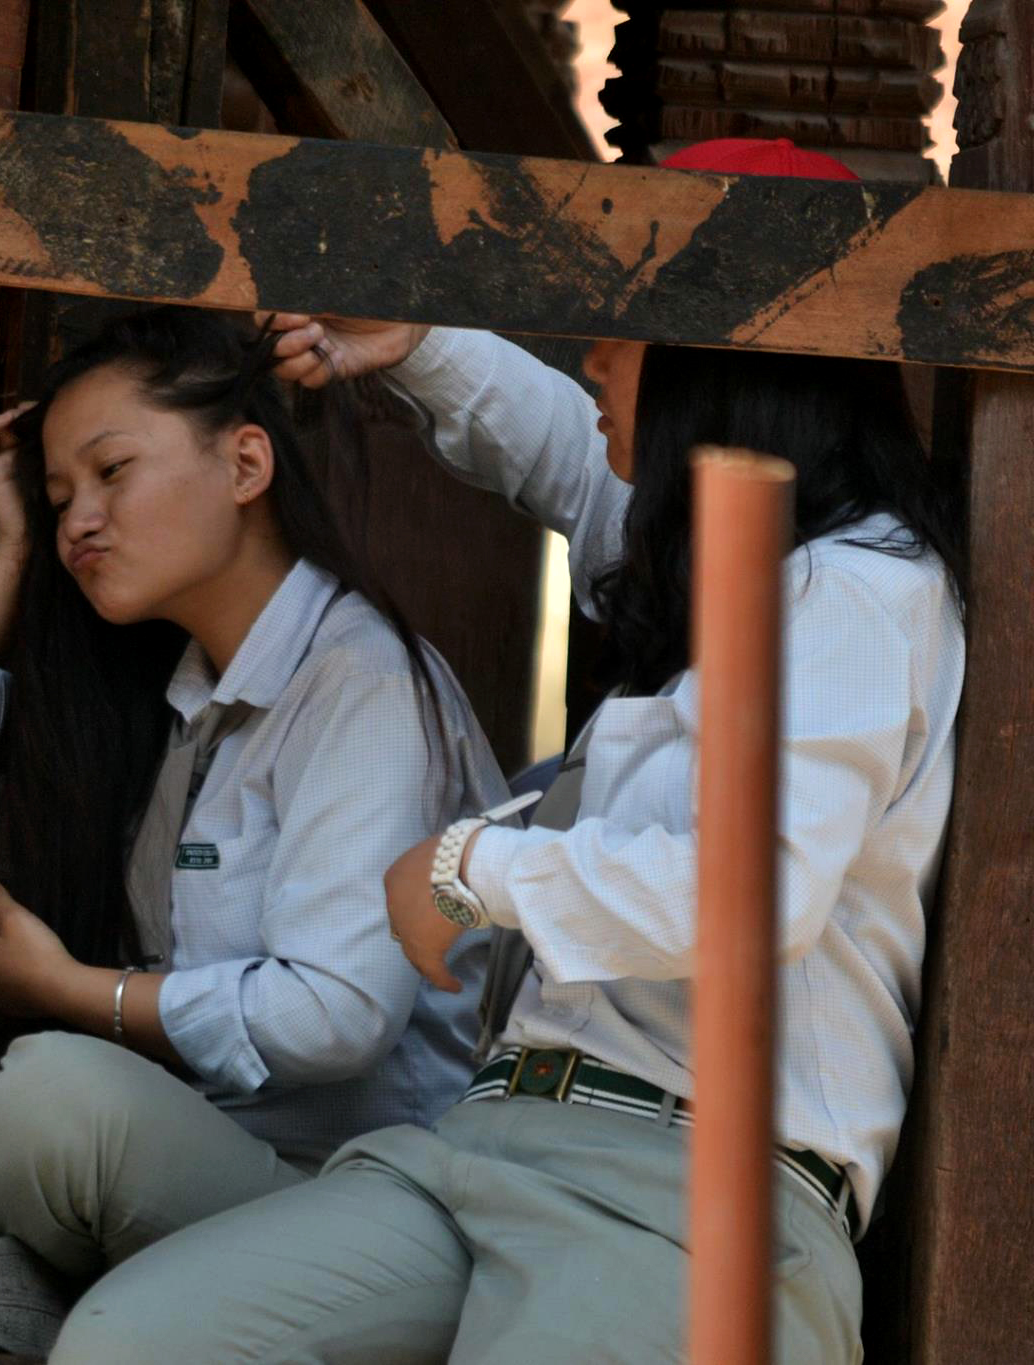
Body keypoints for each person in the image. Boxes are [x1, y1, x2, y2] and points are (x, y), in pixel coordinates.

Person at [48, 138, 968, 1364]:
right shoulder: (709, 572)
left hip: (683, 1196)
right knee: (130, 1343)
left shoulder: (853, 594)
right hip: (482, 1152)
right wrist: (419, 344)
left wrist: (467, 872)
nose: (592, 353)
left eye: (628, 324)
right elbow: (561, 456)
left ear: (730, 352)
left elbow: (746, 896)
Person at [0, 307, 511, 1354]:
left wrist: (74, 994)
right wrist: (14, 549)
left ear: (246, 462)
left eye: (112, 473)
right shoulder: (177, 695)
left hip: (371, 1202)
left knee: (57, 1095)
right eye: (61, 496)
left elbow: (339, 1016)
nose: (82, 521)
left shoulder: (364, 683)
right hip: (223, 1162)